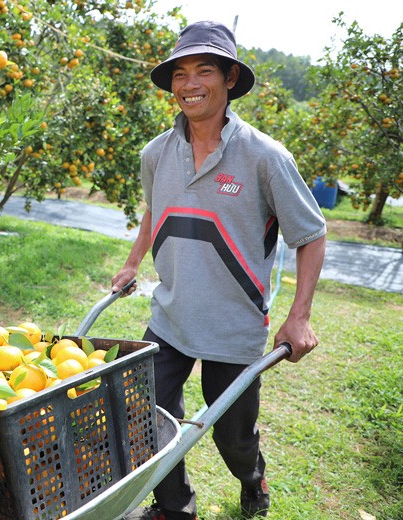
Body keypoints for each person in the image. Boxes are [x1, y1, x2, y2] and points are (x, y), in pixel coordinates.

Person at [112, 21, 326, 520]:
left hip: (233, 330)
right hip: (168, 320)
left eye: (203, 70)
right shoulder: (155, 153)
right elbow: (154, 210)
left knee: (234, 438)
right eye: (180, 73)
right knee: (148, 423)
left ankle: (254, 479)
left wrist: (300, 316)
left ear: (230, 78)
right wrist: (131, 262)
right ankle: (175, 509)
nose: (189, 84)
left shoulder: (265, 158)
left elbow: (311, 236)